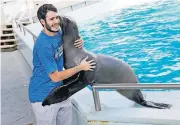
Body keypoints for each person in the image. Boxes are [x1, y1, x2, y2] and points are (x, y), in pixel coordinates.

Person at [28, 4, 96, 125]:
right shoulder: (43, 45)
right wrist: (81, 67)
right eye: (51, 19)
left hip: (60, 91)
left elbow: (69, 43)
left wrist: (79, 41)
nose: (56, 22)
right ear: (42, 22)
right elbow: (55, 76)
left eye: (57, 17)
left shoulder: (58, 32)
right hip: (43, 97)